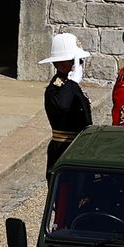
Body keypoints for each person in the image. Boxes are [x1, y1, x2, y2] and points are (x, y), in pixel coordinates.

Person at [39, 32, 93, 176]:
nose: (80, 65)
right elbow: (61, 106)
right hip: (63, 148)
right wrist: (73, 82)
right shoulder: (56, 88)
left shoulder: (69, 86)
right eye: (76, 61)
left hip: (78, 146)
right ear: (60, 64)